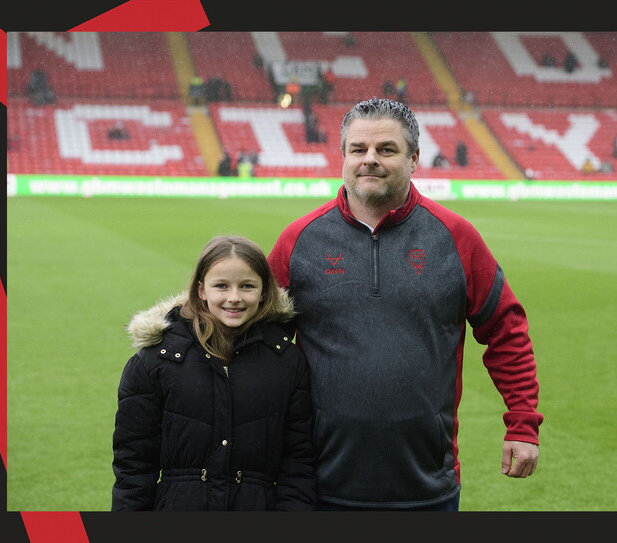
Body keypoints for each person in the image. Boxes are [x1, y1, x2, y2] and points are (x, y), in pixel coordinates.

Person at [268, 98, 543, 511]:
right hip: (318, 484)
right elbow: (255, 341)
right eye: (358, 149)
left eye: (387, 149)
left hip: (427, 487)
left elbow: (505, 330)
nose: (370, 160)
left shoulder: (456, 238)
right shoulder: (299, 241)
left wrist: (522, 424)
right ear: (342, 156)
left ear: (414, 158)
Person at [111, 235, 317, 511]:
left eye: (247, 286)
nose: (234, 298)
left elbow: (299, 463)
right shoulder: (155, 361)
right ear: (201, 290)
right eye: (221, 286)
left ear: (265, 291)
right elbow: (133, 465)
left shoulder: (287, 362)